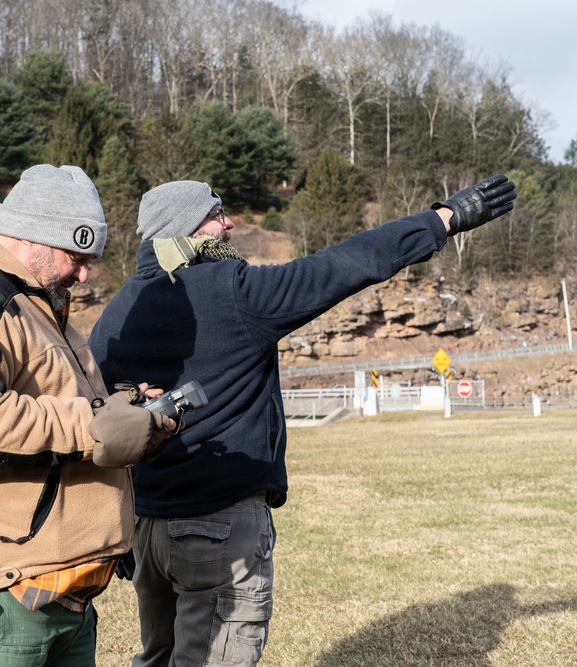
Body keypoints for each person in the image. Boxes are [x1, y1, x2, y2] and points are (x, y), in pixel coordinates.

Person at [88, 175, 517, 666]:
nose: (229, 223)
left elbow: (102, 425)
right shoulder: (235, 291)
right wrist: (443, 219)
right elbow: (345, 264)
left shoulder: (115, 314)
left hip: (146, 531)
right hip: (218, 529)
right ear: (186, 226)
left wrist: (116, 526)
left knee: (158, 657)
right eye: (216, 213)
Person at [0, 163, 171, 666]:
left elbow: (57, 406)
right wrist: (96, 425)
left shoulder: (37, 303)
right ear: (35, 237)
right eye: (77, 254)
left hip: (55, 597)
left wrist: (125, 414)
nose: (85, 273)